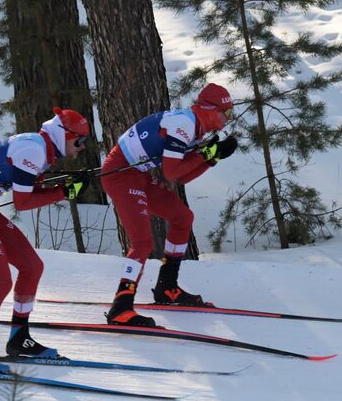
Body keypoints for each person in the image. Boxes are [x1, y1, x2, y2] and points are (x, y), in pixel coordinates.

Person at [0, 108, 89, 371]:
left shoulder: (41, 149)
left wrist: (66, 185)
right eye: (79, 141)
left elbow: (29, 187)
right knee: (0, 280)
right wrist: (65, 192)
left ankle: (19, 339)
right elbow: (23, 202)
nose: (82, 147)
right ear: (63, 135)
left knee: (32, 266)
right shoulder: (34, 149)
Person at [99, 83, 238, 328]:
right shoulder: (184, 124)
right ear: (209, 109)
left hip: (137, 173)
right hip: (119, 175)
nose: (229, 118)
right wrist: (207, 154)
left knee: (182, 217)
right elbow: (173, 172)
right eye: (225, 112)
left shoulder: (196, 127)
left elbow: (183, 177)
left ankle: (167, 287)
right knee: (142, 242)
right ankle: (120, 307)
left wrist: (212, 157)